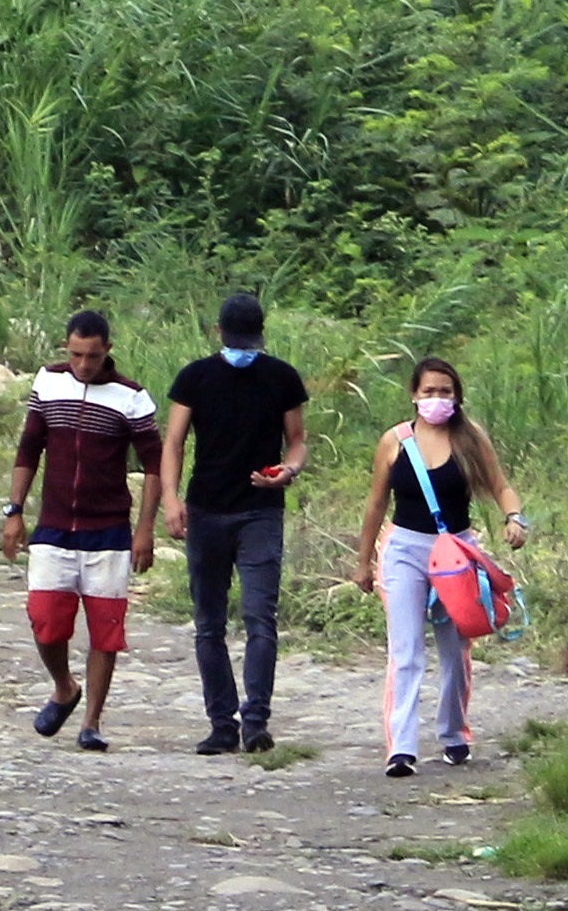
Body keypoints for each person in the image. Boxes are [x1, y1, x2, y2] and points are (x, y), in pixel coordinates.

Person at [344, 356, 524, 775]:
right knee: (405, 651)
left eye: (445, 391)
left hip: (457, 553)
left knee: (456, 648)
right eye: (429, 392)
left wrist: (514, 517)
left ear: (457, 396)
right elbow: (375, 503)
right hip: (405, 548)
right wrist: (363, 562)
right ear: (413, 395)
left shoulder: (470, 438)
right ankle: (401, 747)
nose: (437, 399)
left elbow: (500, 484)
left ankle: (453, 733)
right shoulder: (395, 441)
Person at [0, 310, 161, 751]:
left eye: (91, 356)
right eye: (75, 354)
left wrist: (145, 529)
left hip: (108, 528)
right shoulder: (49, 383)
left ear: (107, 350)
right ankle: (64, 686)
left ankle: (92, 721)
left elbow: (154, 467)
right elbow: (28, 449)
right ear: (64, 348)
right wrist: (14, 511)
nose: (83, 365)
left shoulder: (132, 397)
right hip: (53, 525)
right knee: (46, 622)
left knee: (105, 628)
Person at [159, 290, 311, 755]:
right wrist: (171, 497)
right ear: (219, 334)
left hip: (260, 511)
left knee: (259, 617)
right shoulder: (196, 378)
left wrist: (288, 471)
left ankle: (256, 721)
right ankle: (221, 722)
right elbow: (174, 441)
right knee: (209, 622)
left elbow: (298, 440)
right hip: (206, 509)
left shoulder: (281, 378)